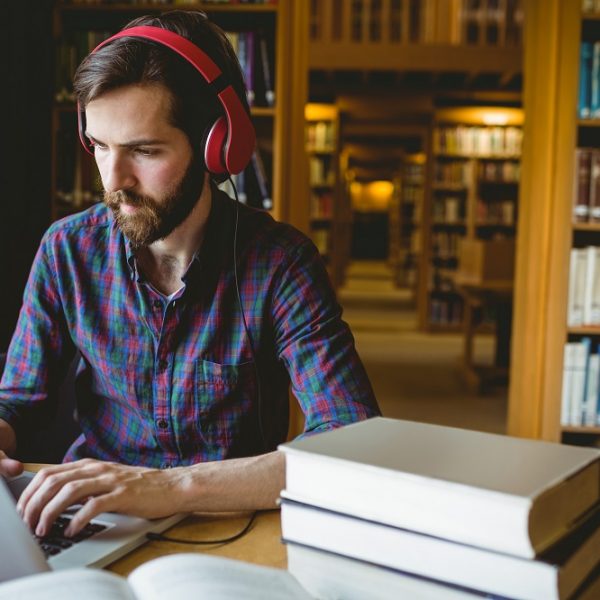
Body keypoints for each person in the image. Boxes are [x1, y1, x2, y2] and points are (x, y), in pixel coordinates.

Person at [0, 10, 379, 539]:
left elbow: (352, 443)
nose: (114, 182)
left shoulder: (282, 264)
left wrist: (171, 487)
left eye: (144, 151)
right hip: (89, 522)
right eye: (100, 147)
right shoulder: (66, 250)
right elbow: (17, 400)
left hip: (226, 526)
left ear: (215, 147)